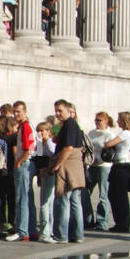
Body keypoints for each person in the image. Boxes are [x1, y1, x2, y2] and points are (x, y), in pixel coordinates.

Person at [48, 99, 85, 243]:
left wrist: (57, 165)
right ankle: (78, 235)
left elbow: (68, 147)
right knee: (75, 201)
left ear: (69, 111)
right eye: (56, 111)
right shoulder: (71, 125)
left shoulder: (70, 124)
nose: (57, 114)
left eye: (60, 111)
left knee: (64, 200)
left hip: (68, 165)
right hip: (75, 165)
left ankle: (62, 235)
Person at [7, 100, 37, 242]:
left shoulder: (25, 127)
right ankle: (30, 229)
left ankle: (22, 230)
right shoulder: (26, 126)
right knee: (28, 198)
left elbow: (28, 149)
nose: (16, 114)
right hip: (27, 164)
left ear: (25, 111)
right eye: (15, 111)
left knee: (22, 198)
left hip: (24, 164)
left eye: (19, 111)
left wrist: (18, 162)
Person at [104, 111, 130, 234]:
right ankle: (120, 223)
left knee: (119, 196)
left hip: (121, 166)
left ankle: (123, 224)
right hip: (119, 165)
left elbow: (108, 144)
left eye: (119, 119)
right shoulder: (128, 133)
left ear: (124, 120)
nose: (117, 121)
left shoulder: (126, 133)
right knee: (114, 195)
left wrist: (107, 142)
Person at [85, 113, 115, 231]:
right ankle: (88, 220)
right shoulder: (92, 133)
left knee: (103, 195)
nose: (97, 122)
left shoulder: (109, 135)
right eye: (96, 120)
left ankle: (102, 222)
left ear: (106, 121)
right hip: (91, 165)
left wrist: (100, 159)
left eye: (100, 120)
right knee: (84, 192)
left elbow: (111, 152)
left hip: (104, 166)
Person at [33, 120, 57, 243]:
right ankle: (45, 231)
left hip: (50, 172)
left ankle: (48, 231)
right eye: (39, 131)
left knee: (48, 202)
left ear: (49, 131)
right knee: (45, 202)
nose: (40, 133)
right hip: (44, 173)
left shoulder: (50, 142)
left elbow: (53, 154)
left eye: (43, 130)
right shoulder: (40, 143)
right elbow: (39, 158)